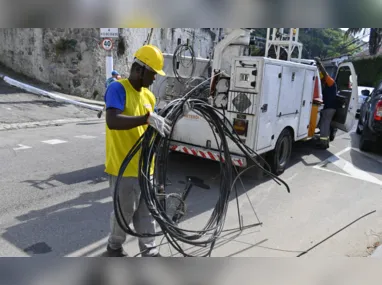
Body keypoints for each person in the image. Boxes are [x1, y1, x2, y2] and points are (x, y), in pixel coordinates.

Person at [103, 45, 171, 257]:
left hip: (145, 167)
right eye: (152, 74)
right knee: (124, 213)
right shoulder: (117, 89)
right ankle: (114, 246)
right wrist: (145, 119)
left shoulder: (149, 97)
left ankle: (149, 251)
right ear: (139, 69)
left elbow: (155, 124)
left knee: (147, 211)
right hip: (124, 168)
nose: (154, 79)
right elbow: (113, 120)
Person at [315, 57, 338, 149]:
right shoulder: (325, 86)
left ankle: (323, 143)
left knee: (325, 124)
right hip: (327, 108)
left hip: (330, 108)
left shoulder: (331, 83)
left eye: (323, 80)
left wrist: (320, 65)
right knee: (323, 124)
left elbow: (325, 74)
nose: (322, 82)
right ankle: (325, 141)